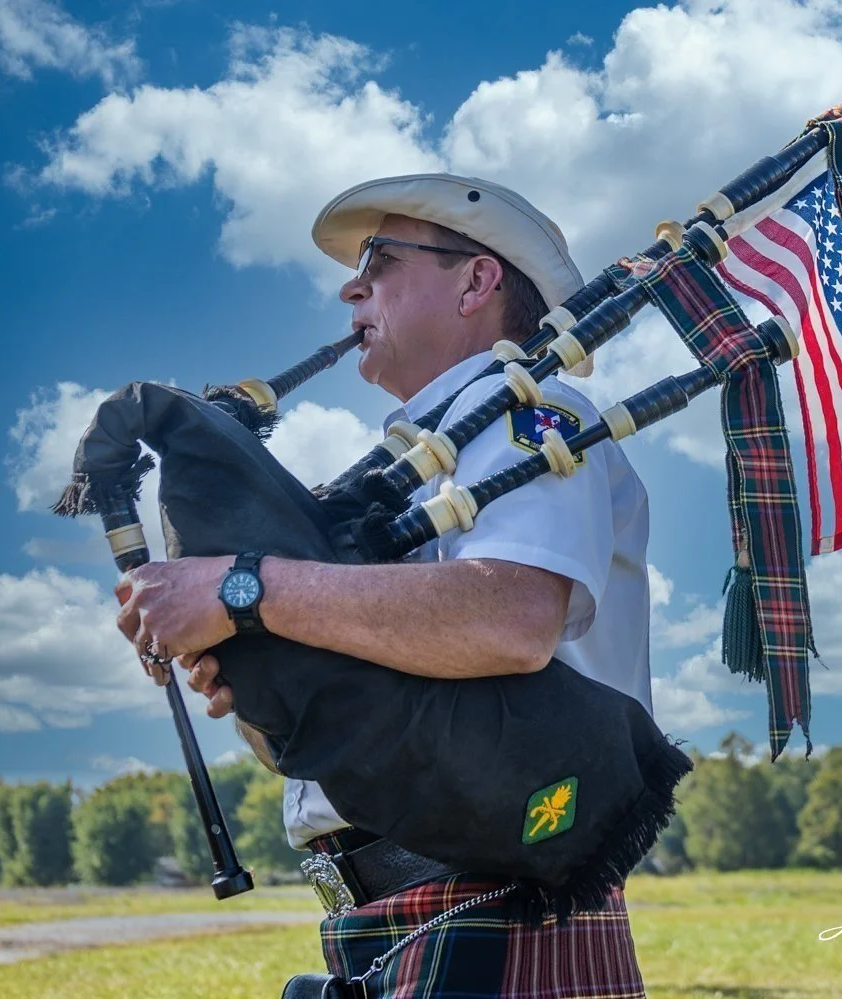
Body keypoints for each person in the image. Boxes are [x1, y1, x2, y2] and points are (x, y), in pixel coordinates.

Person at [116, 174, 654, 997]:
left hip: (498, 892)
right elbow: (328, 748)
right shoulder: (400, 471)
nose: (350, 285)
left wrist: (238, 588)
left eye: (381, 258)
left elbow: (510, 618)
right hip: (379, 911)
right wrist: (253, 676)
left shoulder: (531, 413)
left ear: (477, 281)